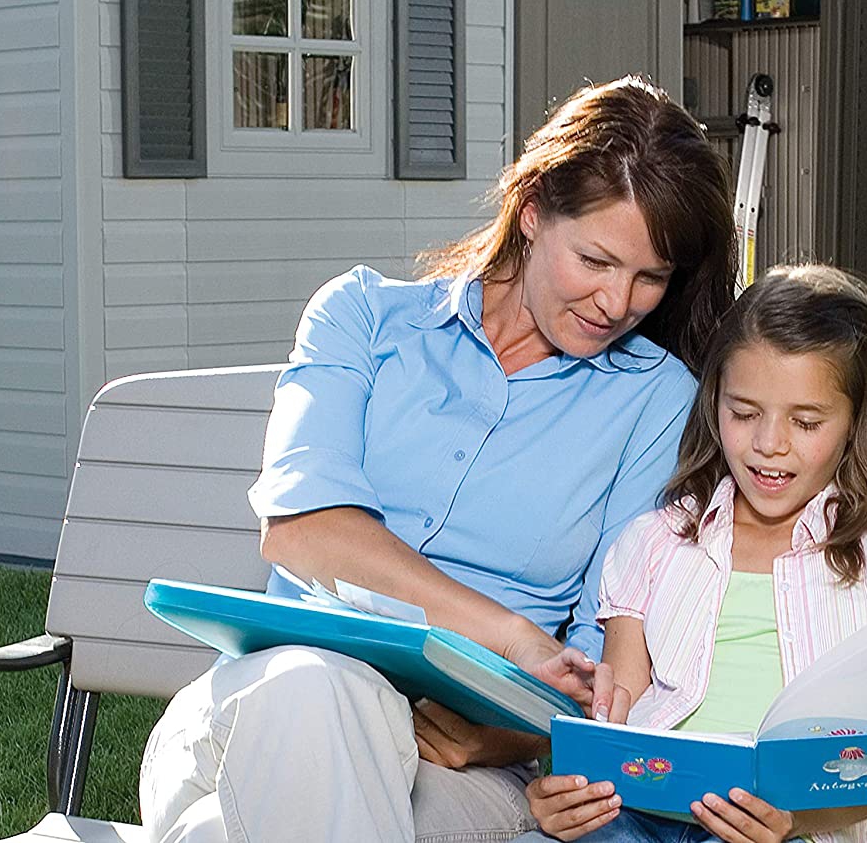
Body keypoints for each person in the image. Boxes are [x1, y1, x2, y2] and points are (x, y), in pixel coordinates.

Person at [139, 76, 736, 843]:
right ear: (531, 213)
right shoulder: (360, 316)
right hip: (260, 703)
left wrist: (513, 737)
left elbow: (602, 655)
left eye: (650, 277)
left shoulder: (655, 401)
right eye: (595, 260)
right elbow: (304, 530)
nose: (618, 302)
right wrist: (514, 637)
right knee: (320, 689)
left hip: (465, 768)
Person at [524, 264, 867, 843]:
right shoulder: (656, 542)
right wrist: (574, 795)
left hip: (793, 829)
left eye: (806, 421)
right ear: (714, 404)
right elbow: (617, 722)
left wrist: (788, 822)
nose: (769, 443)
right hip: (641, 814)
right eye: (744, 413)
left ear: (855, 422)